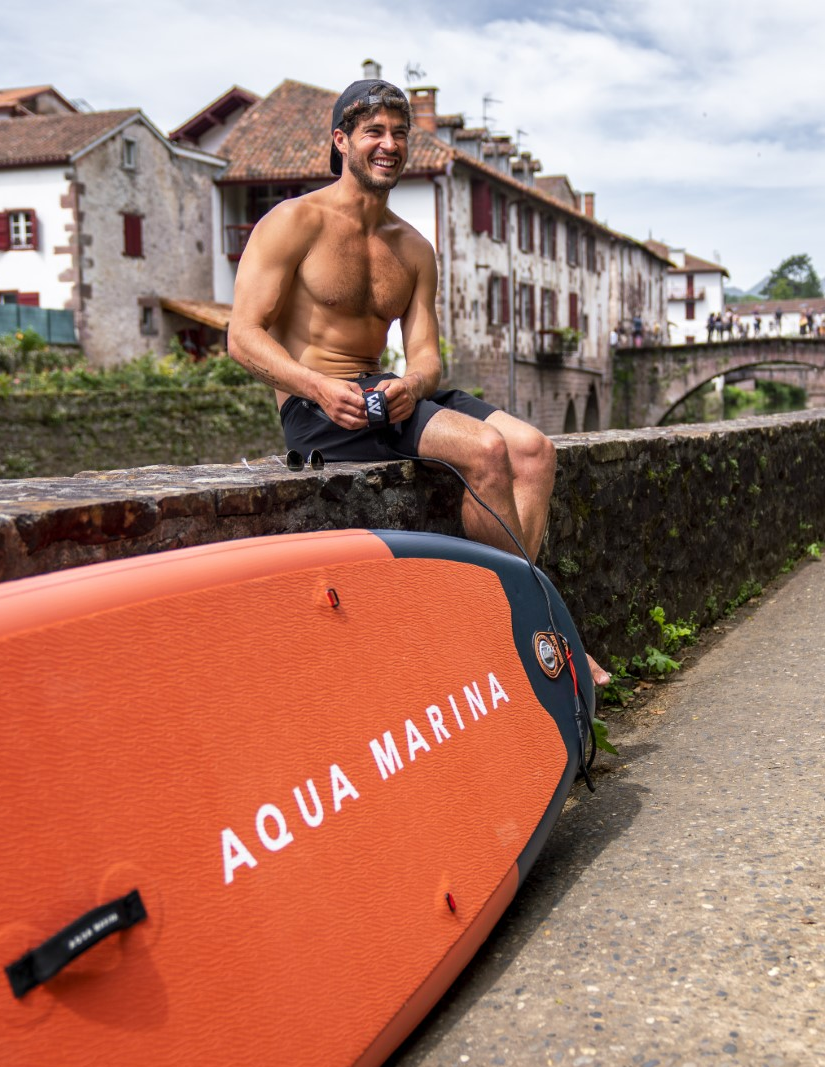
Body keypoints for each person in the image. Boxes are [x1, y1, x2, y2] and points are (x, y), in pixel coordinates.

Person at [227, 78, 609, 686]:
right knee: (485, 451)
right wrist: (315, 385)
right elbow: (242, 336)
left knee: (534, 451)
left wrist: (413, 382)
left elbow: (427, 359)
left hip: (388, 396)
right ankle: (535, 631)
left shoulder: (413, 248)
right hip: (323, 406)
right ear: (341, 141)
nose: (389, 145)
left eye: (399, 134)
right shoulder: (293, 221)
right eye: (374, 132)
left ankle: (510, 621)